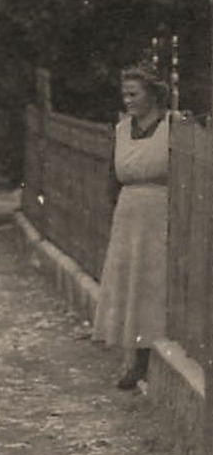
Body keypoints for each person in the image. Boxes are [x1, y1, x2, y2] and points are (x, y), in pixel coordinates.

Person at [94, 66, 172, 390]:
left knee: (157, 284)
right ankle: (135, 361)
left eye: (134, 94)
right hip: (129, 215)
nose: (128, 100)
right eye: (124, 95)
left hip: (162, 213)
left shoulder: (173, 128)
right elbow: (113, 177)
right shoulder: (123, 130)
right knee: (132, 286)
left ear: (152, 94)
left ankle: (156, 356)